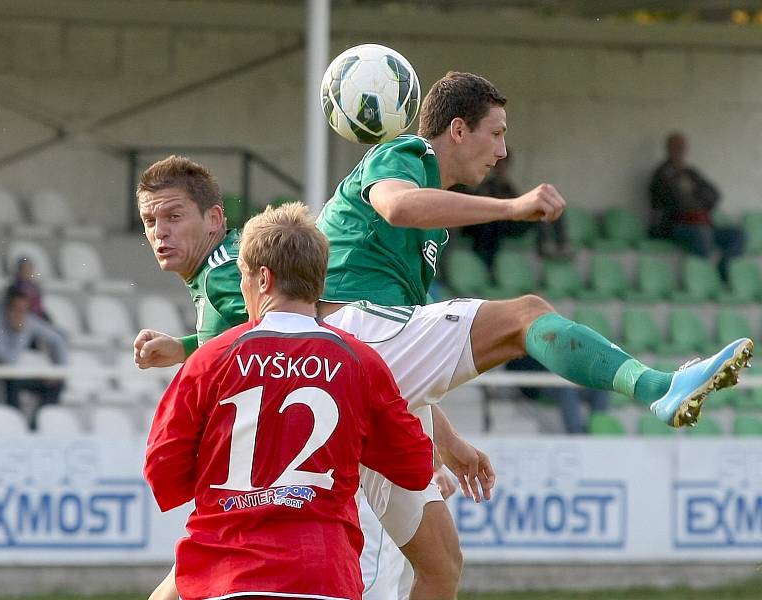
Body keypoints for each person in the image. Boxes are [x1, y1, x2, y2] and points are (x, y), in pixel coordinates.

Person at [315, 71, 753, 596]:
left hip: (360, 370)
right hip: (341, 337)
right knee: (525, 315)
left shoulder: (428, 228)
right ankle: (658, 388)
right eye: (496, 133)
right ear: (457, 129)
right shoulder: (404, 154)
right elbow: (398, 206)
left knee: (441, 565)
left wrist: (447, 440)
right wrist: (512, 207)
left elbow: (396, 356)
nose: (502, 152)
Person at [134, 155, 486, 600]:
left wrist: (440, 439)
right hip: (323, 561)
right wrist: (186, 346)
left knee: (439, 563)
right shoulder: (355, 360)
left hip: (236, 554)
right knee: (441, 565)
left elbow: (164, 465)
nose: (159, 231)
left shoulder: (224, 284)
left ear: (260, 277)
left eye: (172, 216)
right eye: (151, 220)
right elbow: (301, 352)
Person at [649, 131, 745, 280]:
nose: (680, 150)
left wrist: (694, 198)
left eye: (683, 146)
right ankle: (701, 278)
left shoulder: (690, 172)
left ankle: (723, 272)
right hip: (675, 225)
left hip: (702, 223)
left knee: (738, 235)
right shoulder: (662, 174)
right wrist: (697, 198)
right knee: (702, 234)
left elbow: (714, 194)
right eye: (676, 146)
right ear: (668, 149)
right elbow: (678, 202)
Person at [0, 287, 67, 429]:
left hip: (8, 375)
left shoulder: (27, 320)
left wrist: (58, 370)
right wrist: (21, 333)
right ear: (6, 308)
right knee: (10, 382)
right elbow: (6, 359)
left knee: (56, 382)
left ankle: (36, 426)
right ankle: (12, 426)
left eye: (24, 310)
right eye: (16, 309)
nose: (20, 314)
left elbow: (57, 340)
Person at [457, 152, 572, 266]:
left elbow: (518, 204)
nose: (502, 168)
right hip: (492, 225)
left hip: (509, 222)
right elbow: (482, 209)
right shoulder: (487, 186)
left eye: (505, 165)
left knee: (546, 206)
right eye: (499, 165)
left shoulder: (508, 187)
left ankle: (554, 245)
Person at [505, 356, 608, 434]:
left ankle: (599, 427)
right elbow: (515, 369)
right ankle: (576, 433)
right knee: (566, 390)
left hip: (566, 375)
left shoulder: (544, 336)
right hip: (539, 384)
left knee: (600, 386)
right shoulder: (516, 348)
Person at [10, 256, 50, 321]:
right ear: (20, 270)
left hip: (38, 318)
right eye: (25, 269)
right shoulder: (15, 288)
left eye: (30, 268)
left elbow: (40, 308)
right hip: (27, 319)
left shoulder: (34, 287)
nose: (28, 271)